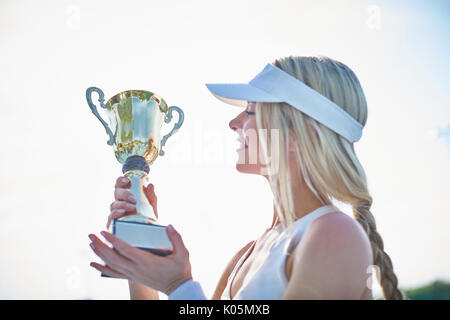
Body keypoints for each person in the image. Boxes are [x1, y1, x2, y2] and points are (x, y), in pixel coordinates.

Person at [88, 55, 405, 300]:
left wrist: (179, 285)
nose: (234, 122)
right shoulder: (249, 252)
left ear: (297, 137)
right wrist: (143, 263)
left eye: (251, 110)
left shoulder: (334, 235)